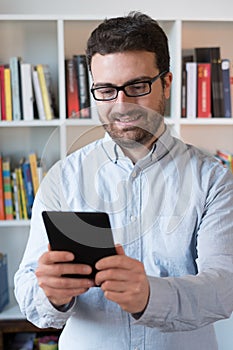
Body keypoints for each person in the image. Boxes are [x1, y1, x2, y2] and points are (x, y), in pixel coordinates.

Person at [14, 11, 233, 350]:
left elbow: (225, 288)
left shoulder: (214, 179)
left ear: (167, 83)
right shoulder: (62, 179)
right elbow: (29, 291)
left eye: (137, 86)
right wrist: (52, 295)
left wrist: (150, 296)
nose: (122, 104)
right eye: (105, 89)